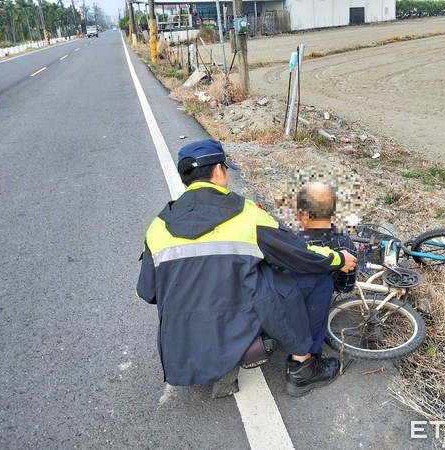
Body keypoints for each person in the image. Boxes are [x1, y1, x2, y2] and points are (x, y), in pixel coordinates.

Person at [136, 139, 357, 397]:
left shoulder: (158, 225)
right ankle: (303, 365)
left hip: (182, 346)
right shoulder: (246, 215)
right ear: (219, 170)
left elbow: (147, 291)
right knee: (310, 277)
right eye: (226, 169)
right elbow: (298, 254)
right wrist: (338, 259)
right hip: (233, 325)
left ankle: (221, 357)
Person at [291, 181, 358, 356]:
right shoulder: (344, 243)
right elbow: (347, 285)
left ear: (301, 215)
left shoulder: (292, 239)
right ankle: (309, 357)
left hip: (291, 296)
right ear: (333, 211)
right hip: (320, 297)